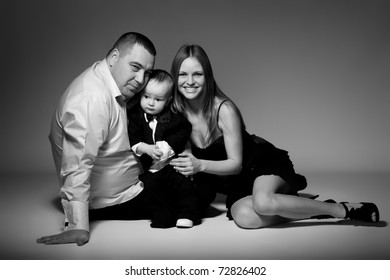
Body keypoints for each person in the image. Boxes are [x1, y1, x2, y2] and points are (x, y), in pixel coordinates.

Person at [169, 44, 380, 229]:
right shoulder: (176, 113)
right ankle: (306, 210)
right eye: (182, 74)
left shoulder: (224, 109)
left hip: (260, 164)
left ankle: (340, 210)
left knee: (263, 204)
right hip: (238, 183)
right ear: (175, 77)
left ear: (207, 76)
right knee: (244, 217)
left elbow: (235, 164)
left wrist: (199, 166)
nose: (190, 81)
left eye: (197, 74)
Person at [37, 32, 156, 246]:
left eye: (147, 73)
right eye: (135, 67)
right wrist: (78, 225)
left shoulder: (107, 81)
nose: (140, 80)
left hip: (129, 187)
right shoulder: (92, 98)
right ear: (113, 58)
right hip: (116, 199)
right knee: (198, 192)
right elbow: (78, 163)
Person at [127, 69, 200, 228]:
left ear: (168, 101)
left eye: (158, 99)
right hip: (151, 168)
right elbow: (133, 139)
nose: (151, 103)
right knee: (151, 189)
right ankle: (162, 213)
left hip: (171, 164)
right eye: (146, 97)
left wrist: (169, 146)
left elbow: (184, 130)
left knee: (183, 184)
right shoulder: (135, 117)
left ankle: (186, 213)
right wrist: (146, 148)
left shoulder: (173, 117)